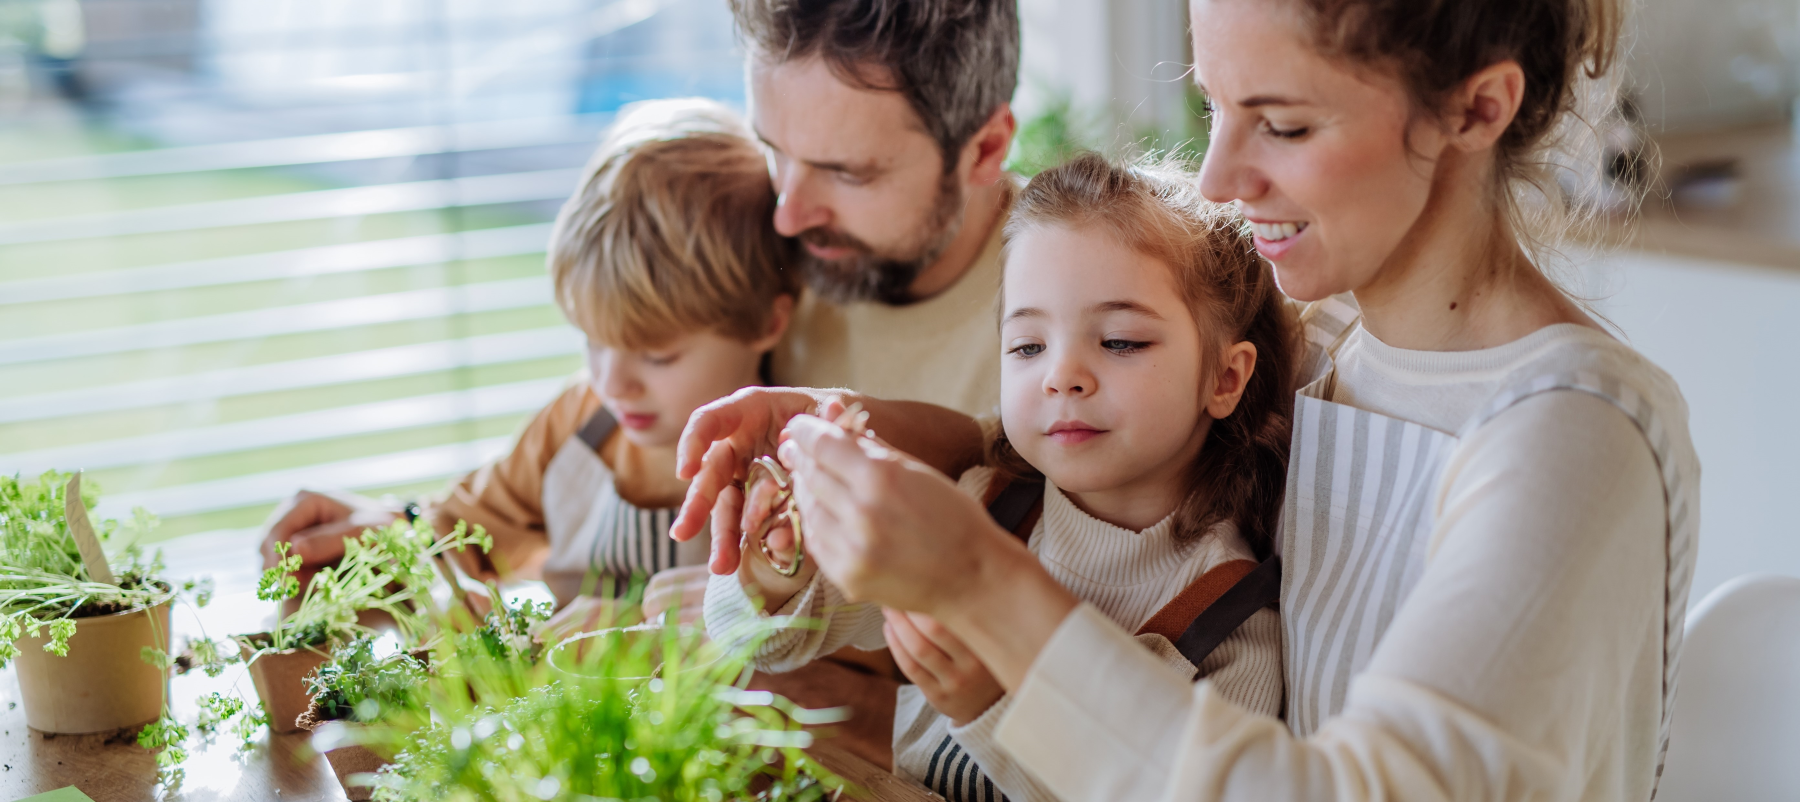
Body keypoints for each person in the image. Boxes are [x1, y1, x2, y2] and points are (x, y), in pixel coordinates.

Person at [677, 0, 1701, 799]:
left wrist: (983, 583)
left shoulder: (1573, 437)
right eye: (1216, 108)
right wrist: (895, 434)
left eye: (1284, 124)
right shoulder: (1330, 353)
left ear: (1477, 109)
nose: (1218, 173)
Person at [706, 154, 1292, 802]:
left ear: (1225, 378)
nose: (1061, 375)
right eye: (1028, 346)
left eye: (1121, 341)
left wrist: (992, 706)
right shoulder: (981, 508)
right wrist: (776, 567)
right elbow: (750, 645)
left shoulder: (1228, 614)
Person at [258, 98, 801, 613]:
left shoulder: (784, 469)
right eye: (593, 340)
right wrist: (380, 529)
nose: (613, 383)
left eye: (656, 356)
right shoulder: (579, 421)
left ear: (765, 323)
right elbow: (465, 531)